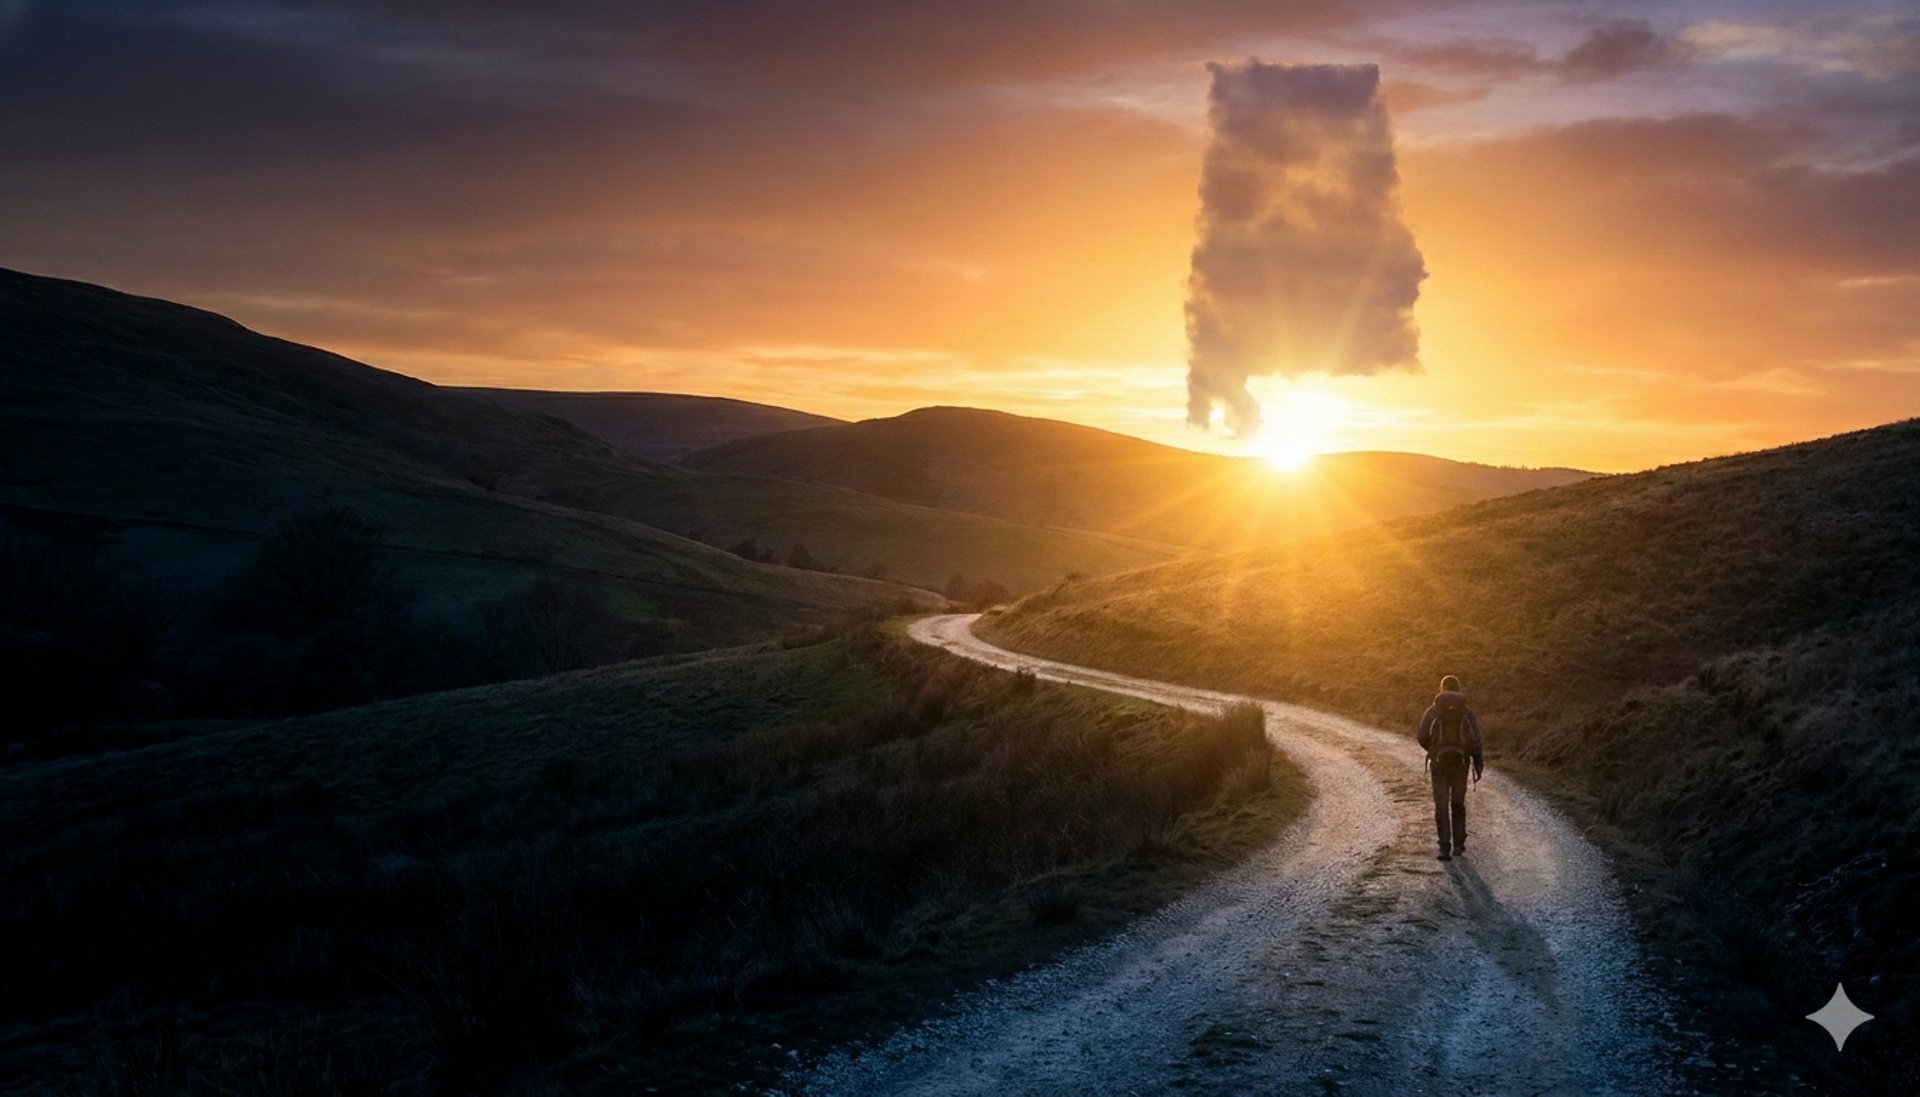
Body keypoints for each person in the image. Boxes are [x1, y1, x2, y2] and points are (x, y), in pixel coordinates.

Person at [1415, 675, 1483, 862]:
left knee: (1441, 805)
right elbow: (1476, 741)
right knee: (1458, 803)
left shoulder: (1433, 710)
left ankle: (1444, 848)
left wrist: (1434, 750)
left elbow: (1420, 736)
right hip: (1461, 764)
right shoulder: (1466, 712)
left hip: (1439, 764)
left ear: (1442, 689)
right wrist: (1478, 764)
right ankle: (1459, 845)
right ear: (1458, 689)